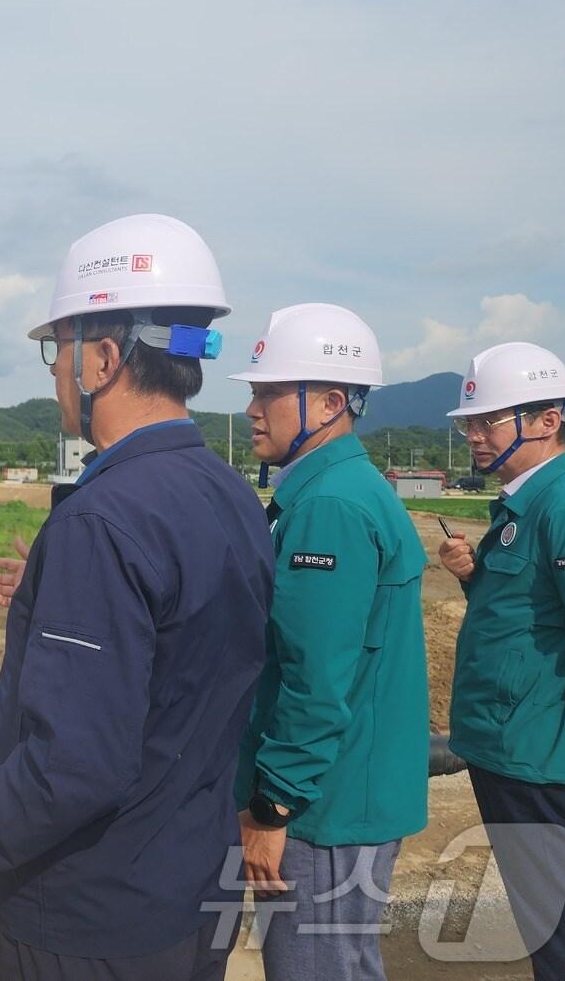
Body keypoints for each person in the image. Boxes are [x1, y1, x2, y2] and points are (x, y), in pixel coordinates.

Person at [0, 213, 275, 979]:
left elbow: (75, 770)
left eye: (56, 349)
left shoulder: (101, 519)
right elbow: (181, 657)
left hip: (95, 916)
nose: (52, 371)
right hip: (192, 887)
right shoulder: (228, 492)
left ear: (104, 358)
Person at [228, 303, 429, 980]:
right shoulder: (333, 491)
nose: (253, 408)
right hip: (344, 794)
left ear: (332, 401)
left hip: (327, 807)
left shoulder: (329, 507)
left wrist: (272, 804)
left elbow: (316, 682)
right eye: (255, 390)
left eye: (270, 391)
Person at [437, 342, 565, 981]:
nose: (473, 436)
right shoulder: (521, 503)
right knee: (550, 918)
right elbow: (533, 616)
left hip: (543, 757)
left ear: (547, 420)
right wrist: (476, 579)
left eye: (487, 421)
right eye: (468, 423)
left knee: (563, 929)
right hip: (514, 747)